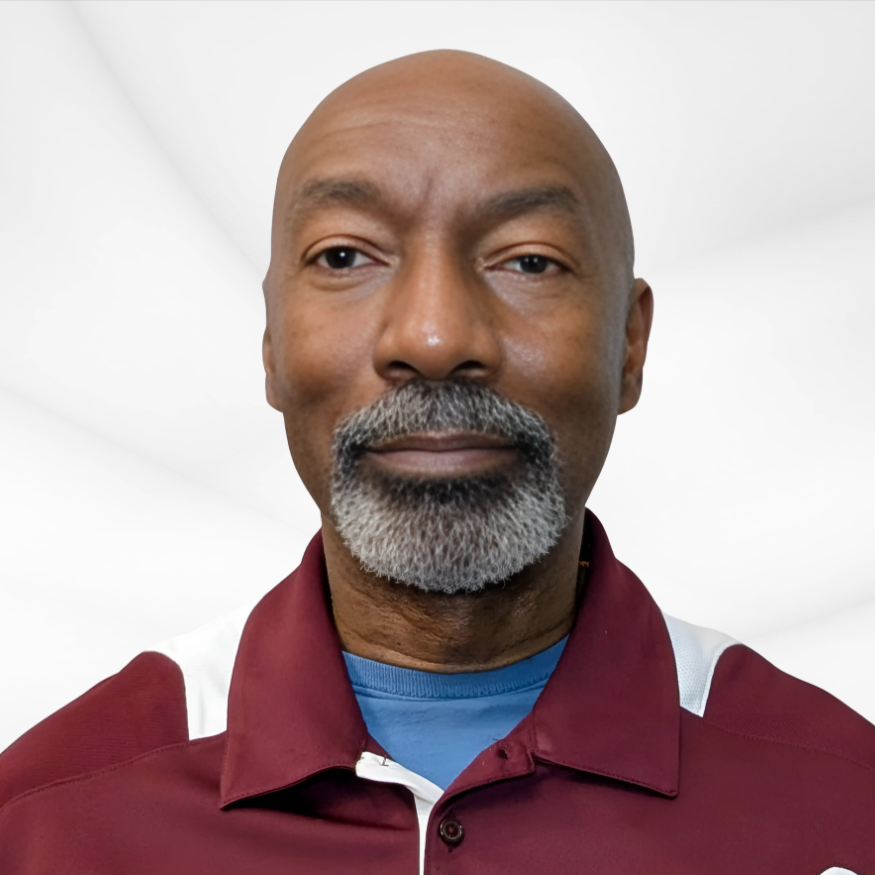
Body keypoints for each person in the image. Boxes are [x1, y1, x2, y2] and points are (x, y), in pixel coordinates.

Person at [0, 49, 872, 874]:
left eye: (528, 260)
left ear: (629, 344)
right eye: (345, 256)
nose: (433, 336)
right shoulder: (47, 821)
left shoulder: (840, 806)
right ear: (271, 343)